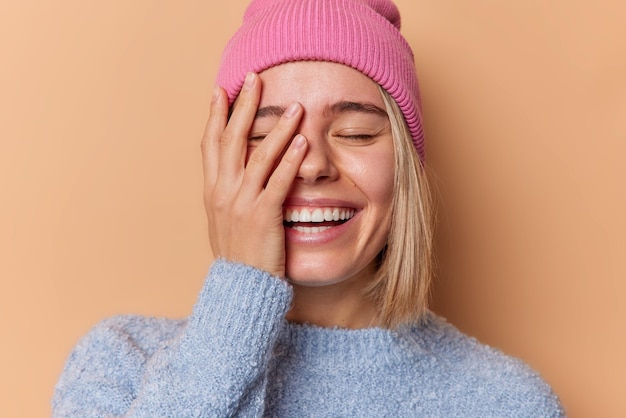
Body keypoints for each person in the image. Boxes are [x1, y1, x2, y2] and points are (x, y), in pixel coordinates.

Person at [52, 0, 565, 416]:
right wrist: (241, 289)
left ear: (406, 166)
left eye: (356, 132)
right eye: (267, 136)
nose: (311, 164)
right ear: (220, 163)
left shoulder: (505, 402)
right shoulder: (118, 366)